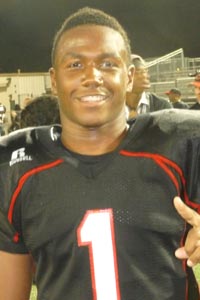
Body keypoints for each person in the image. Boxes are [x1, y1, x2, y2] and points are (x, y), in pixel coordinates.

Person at [1, 7, 200, 300]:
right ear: (54, 80)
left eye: (107, 64)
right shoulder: (17, 165)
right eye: (75, 65)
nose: (92, 76)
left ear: (129, 76)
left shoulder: (180, 143)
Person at [126, 55, 172, 119]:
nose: (147, 76)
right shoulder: (110, 107)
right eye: (140, 71)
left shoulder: (162, 106)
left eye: (146, 71)